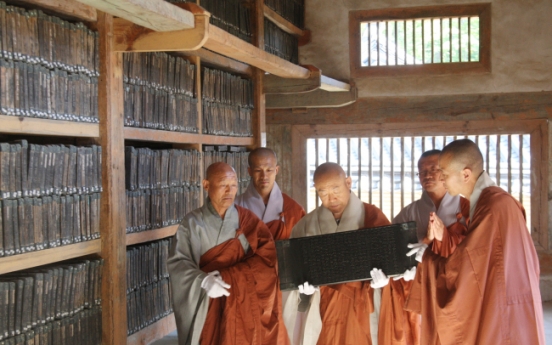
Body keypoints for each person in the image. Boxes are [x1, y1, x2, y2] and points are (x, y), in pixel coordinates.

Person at [405, 139, 545, 345]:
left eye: (444, 174)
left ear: (466, 174)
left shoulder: (493, 207)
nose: (440, 180)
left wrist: (427, 257)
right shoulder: (494, 202)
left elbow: (466, 268)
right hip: (511, 301)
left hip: (503, 308)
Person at [167, 162, 290, 345]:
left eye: (233, 185)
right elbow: (179, 263)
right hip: (208, 304)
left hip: (243, 304)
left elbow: (268, 260)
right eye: (223, 184)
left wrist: (233, 276)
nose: (229, 191)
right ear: (206, 185)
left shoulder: (247, 220)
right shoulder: (192, 224)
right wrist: (203, 281)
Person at [283, 162, 390, 345]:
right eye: (322, 192)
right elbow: (292, 273)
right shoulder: (305, 225)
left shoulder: (372, 217)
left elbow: (394, 265)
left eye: (335, 189)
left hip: (362, 306)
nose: (331, 198)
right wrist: (302, 290)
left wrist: (386, 281)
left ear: (348, 183)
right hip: (321, 306)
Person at [372, 150, 470, 345]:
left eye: (433, 169)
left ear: (446, 172)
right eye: (422, 171)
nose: (427, 175)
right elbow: (392, 251)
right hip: (415, 287)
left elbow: (475, 251)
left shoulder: (467, 208)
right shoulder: (410, 212)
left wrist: (442, 240)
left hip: (453, 288)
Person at [235, 147, 305, 240]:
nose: (264, 176)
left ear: (276, 170)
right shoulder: (234, 207)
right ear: (250, 171)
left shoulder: (294, 210)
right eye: (258, 170)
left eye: (269, 170)